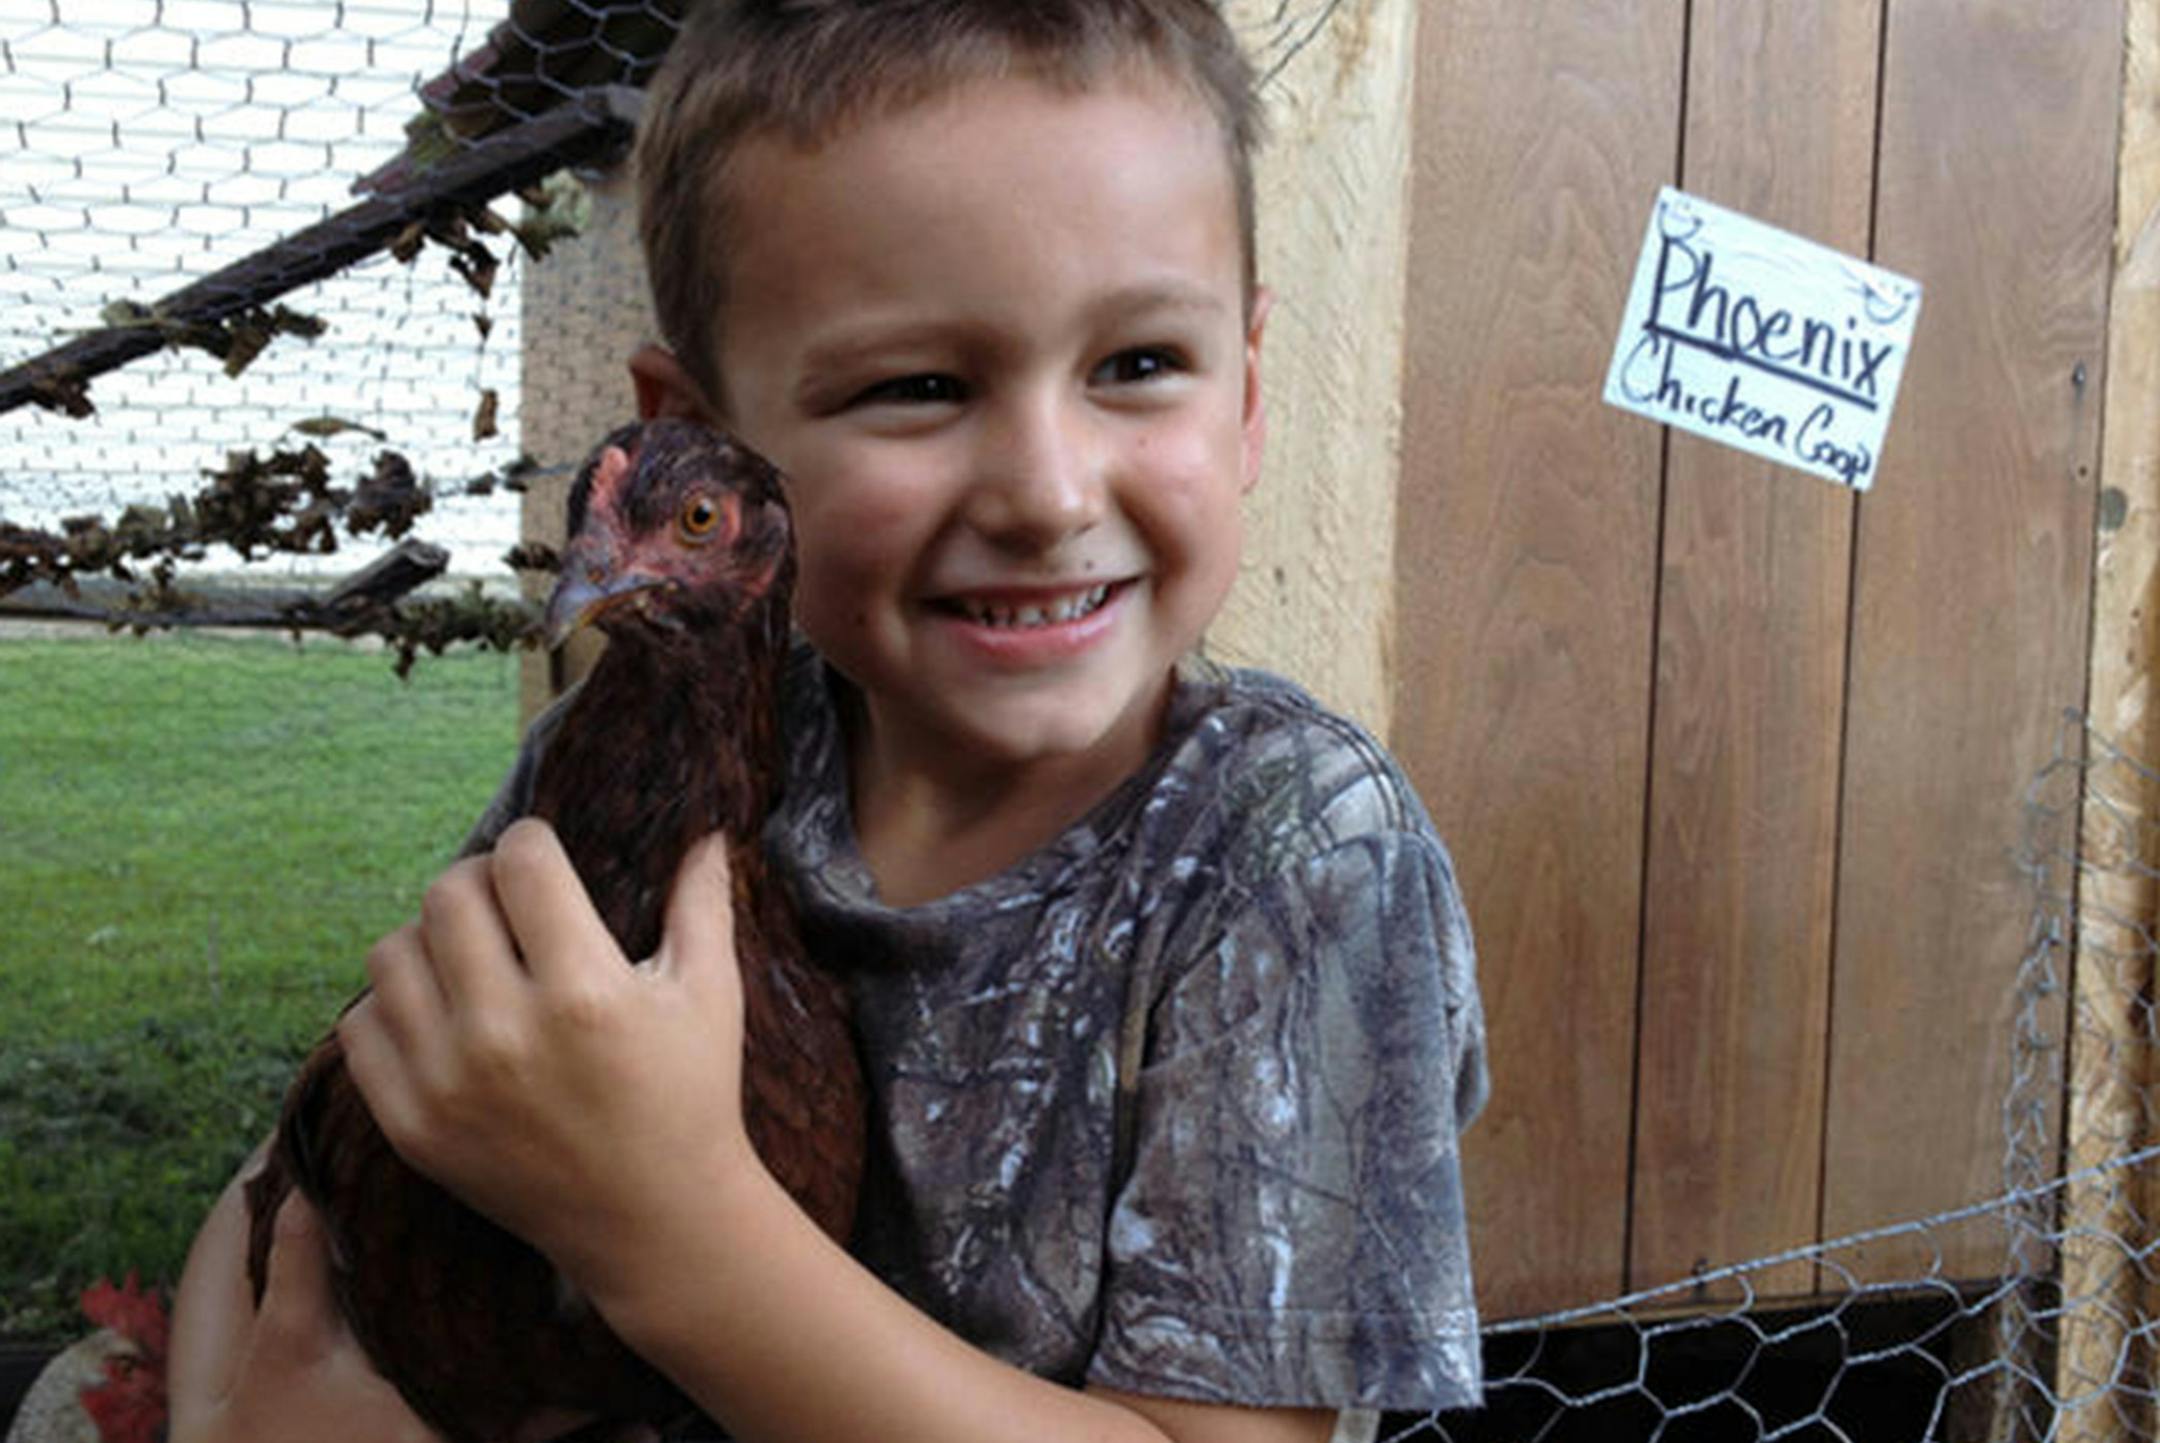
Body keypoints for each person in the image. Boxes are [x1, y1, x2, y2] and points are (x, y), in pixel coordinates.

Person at [165, 3, 1488, 1441]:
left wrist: (671, 1230)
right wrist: (239, 1411)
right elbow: (315, 1157)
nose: (1047, 494)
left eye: (1137, 366)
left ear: (1247, 392)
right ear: (704, 441)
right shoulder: (657, 738)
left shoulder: (1287, 854)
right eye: (916, 388)